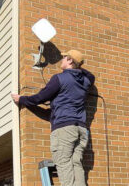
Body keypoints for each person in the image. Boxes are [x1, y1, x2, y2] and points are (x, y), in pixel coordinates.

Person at [11, 49, 95, 186]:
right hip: (81, 129)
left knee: (63, 163)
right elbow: (91, 76)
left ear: (70, 61)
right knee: (76, 163)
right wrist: (78, 67)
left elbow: (40, 97)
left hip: (64, 129)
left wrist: (22, 99)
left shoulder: (59, 79)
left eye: (64, 58)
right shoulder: (86, 81)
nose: (61, 60)